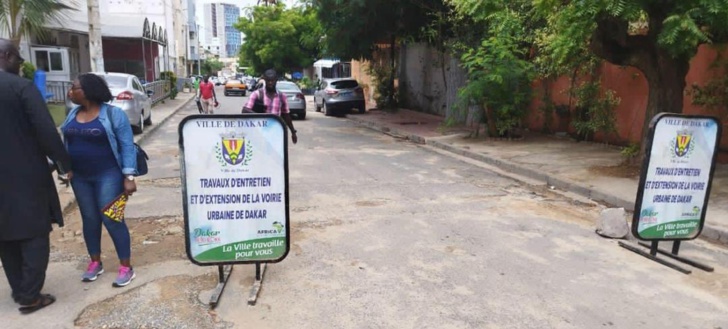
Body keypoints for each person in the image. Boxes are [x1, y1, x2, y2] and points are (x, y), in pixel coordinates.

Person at [0, 38, 71, 314]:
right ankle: (29, 295)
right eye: (19, 59)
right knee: (35, 234)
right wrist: (65, 163)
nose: (21, 65)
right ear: (6, 56)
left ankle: (20, 289)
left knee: (5, 235)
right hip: (25, 176)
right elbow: (46, 132)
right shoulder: (20, 88)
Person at [60, 73, 138, 287]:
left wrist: (129, 176)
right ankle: (95, 262)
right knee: (90, 219)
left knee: (112, 219)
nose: (70, 92)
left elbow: (126, 146)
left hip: (108, 175)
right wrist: (65, 167)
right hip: (80, 177)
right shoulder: (72, 113)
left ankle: (126, 267)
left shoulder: (113, 115)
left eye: (74, 87)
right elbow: (64, 141)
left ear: (87, 91)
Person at [242, 69, 298, 144]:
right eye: (268, 80)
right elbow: (245, 110)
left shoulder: (282, 97)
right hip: (259, 134)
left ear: (276, 80)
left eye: (272, 80)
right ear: (265, 80)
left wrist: (293, 132)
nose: (270, 83)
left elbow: (286, 115)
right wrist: (262, 117)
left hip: (276, 133)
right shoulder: (257, 94)